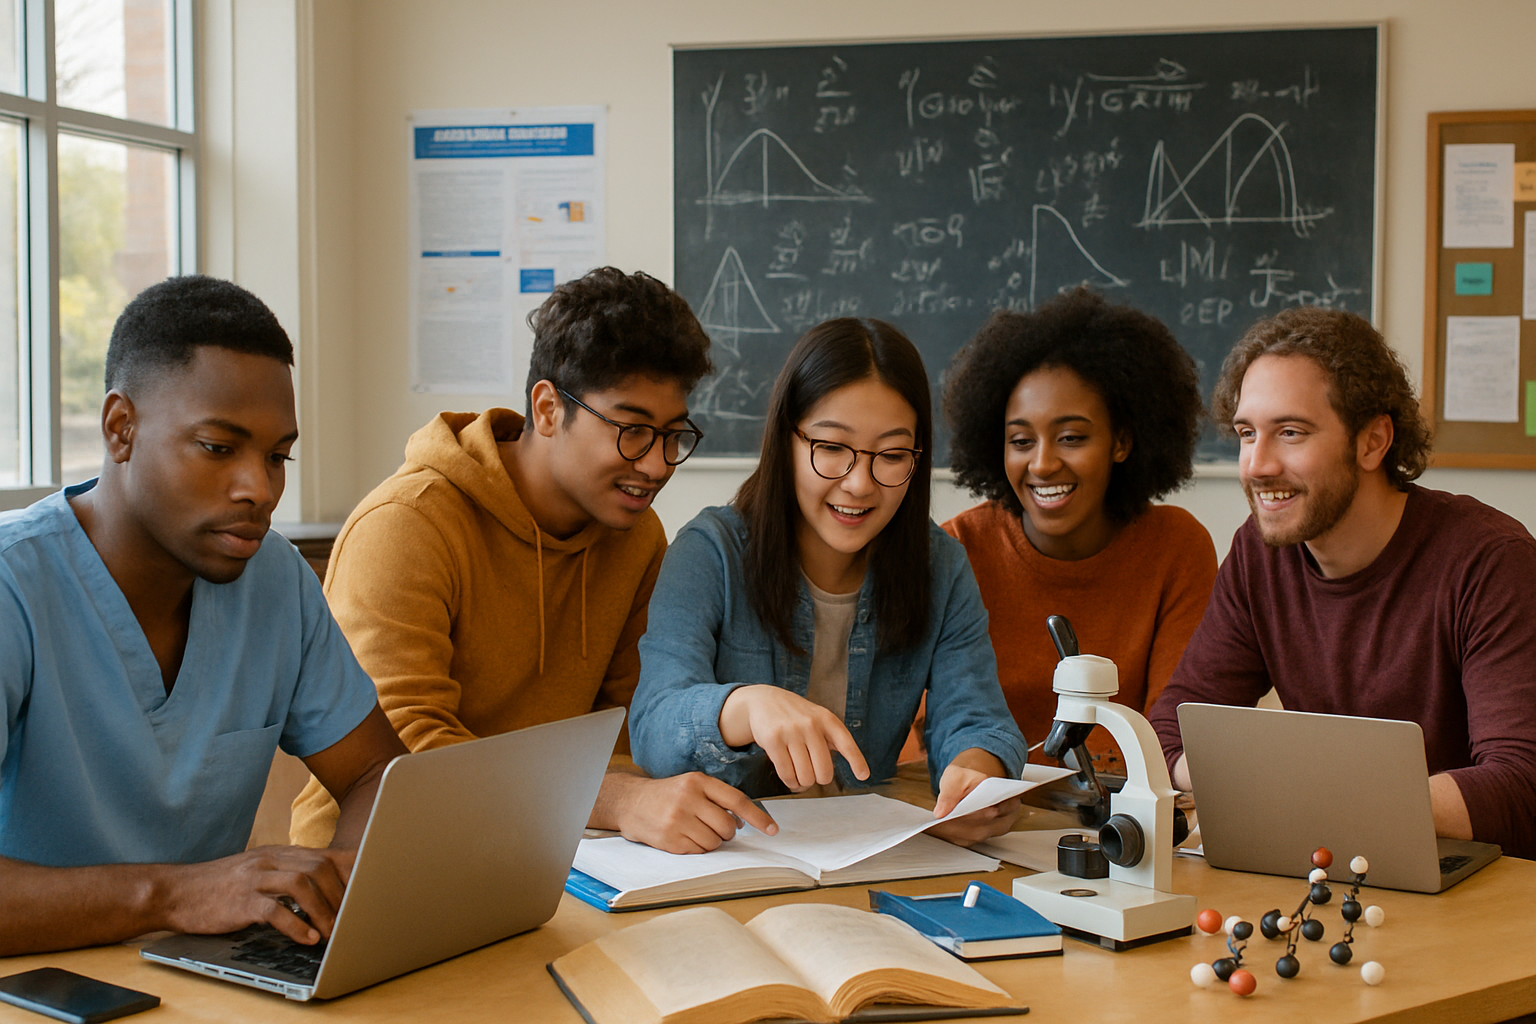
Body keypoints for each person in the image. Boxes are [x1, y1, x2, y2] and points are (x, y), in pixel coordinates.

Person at [290, 267, 777, 856]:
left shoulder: (636, 535)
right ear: (548, 409)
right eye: (631, 431)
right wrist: (614, 802)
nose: (655, 465)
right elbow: (400, 756)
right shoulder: (406, 525)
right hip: (378, 862)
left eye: (673, 435)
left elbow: (627, 727)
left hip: (553, 852)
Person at [0, 276, 408, 956]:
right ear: (120, 428)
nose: (261, 488)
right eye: (219, 448)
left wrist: (339, 884)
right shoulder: (13, 586)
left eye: (278, 456)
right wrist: (178, 894)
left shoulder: (275, 579)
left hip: (202, 981)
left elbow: (376, 775)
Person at [1148, 306, 1536, 859]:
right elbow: (1172, 729)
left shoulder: (1490, 562)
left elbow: (1522, 786)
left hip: (1481, 891)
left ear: (1373, 441)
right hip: (1341, 876)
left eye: (1290, 432)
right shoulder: (1260, 554)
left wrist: (1313, 804)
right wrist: (1262, 788)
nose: (1256, 465)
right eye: (1245, 434)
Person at [628, 317, 1029, 845]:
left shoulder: (941, 567)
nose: (860, 483)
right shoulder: (711, 552)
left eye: (891, 455)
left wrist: (978, 779)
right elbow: (653, 727)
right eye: (832, 448)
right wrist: (745, 706)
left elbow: (976, 719)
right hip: (728, 854)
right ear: (787, 438)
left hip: (864, 853)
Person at [931, 287, 1216, 777]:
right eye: (1021, 441)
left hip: (1126, 824)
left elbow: (1181, 728)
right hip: (984, 822)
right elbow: (921, 735)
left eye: (1071, 438)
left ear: (1122, 441)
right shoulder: (957, 551)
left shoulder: (1176, 548)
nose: (1042, 464)